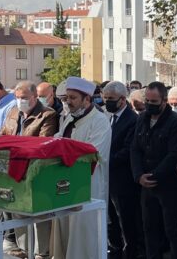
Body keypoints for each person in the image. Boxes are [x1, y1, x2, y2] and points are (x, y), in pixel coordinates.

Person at [52, 77, 112, 259]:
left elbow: (93, 152)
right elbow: (59, 138)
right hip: (64, 183)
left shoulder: (100, 121)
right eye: (67, 98)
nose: (68, 101)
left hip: (88, 185)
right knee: (64, 227)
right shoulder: (69, 117)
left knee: (84, 232)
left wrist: (64, 148)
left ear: (87, 99)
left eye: (73, 98)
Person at [0, 81, 58, 259]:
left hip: (34, 170)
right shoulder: (13, 112)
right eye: (17, 98)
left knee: (39, 212)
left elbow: (42, 142)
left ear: (34, 97)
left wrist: (16, 146)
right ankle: (24, 249)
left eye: (24, 98)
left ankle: (42, 252)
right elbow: (2, 136)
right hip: (13, 167)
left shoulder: (47, 114)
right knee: (17, 209)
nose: (20, 101)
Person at [130, 82, 177, 259]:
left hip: (168, 185)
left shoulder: (175, 122)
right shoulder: (143, 118)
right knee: (149, 228)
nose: (150, 104)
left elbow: (173, 154)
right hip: (146, 184)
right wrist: (139, 175)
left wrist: (154, 176)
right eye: (147, 100)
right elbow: (135, 148)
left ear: (164, 100)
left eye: (154, 101)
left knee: (171, 229)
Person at [103, 81, 144, 259]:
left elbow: (128, 150)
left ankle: (130, 253)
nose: (107, 102)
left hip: (124, 182)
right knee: (111, 221)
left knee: (126, 222)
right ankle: (115, 251)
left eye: (111, 99)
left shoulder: (132, 120)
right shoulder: (107, 116)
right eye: (105, 99)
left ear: (122, 99)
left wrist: (104, 159)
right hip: (109, 179)